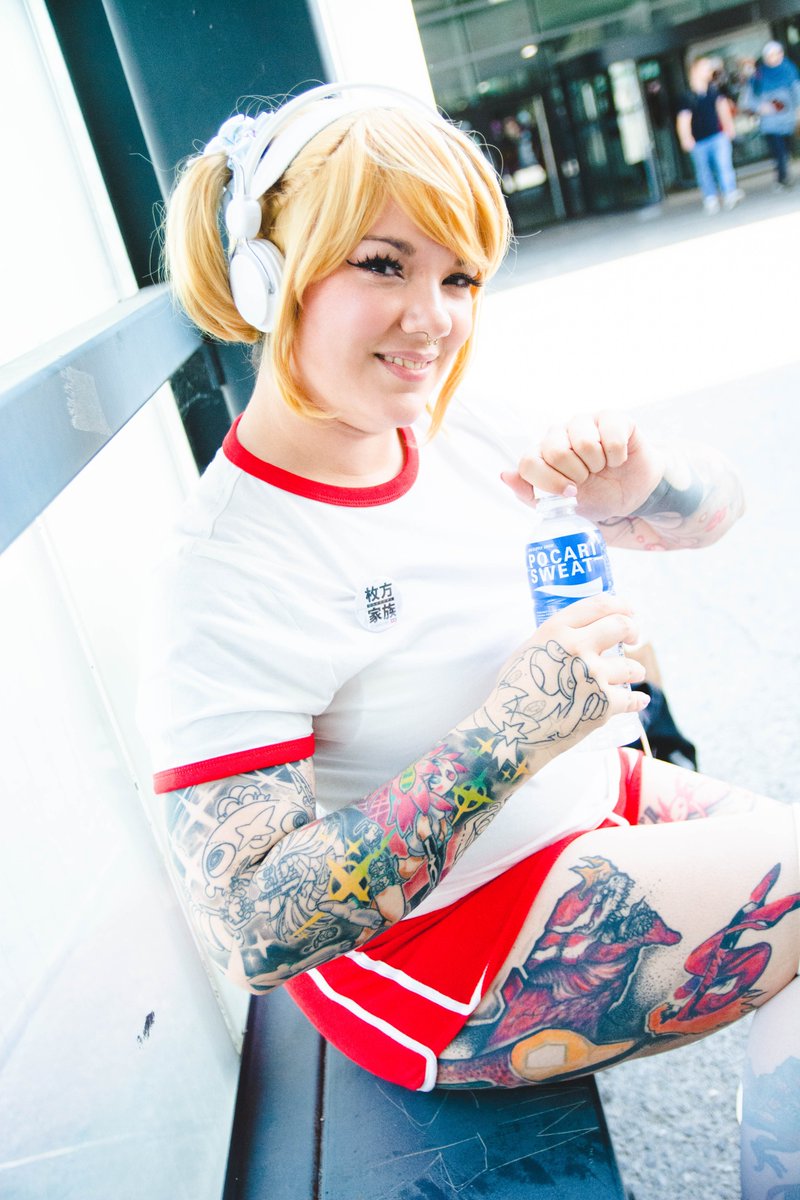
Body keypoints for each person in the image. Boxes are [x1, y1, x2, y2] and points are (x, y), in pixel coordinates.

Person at [139, 83, 800, 1192]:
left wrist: (645, 480)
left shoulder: (454, 420)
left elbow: (717, 512)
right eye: (382, 265)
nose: (432, 319)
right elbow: (252, 926)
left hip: (595, 812)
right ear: (266, 275)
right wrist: (510, 733)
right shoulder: (226, 564)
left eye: (457, 277)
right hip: (444, 952)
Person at [676, 55, 745, 213]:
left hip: (718, 136)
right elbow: (683, 120)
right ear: (694, 71)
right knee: (703, 171)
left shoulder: (714, 91)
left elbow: (723, 109)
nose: (708, 71)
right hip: (698, 141)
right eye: (705, 68)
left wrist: (729, 128)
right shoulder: (687, 96)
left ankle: (729, 192)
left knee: (724, 164)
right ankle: (710, 198)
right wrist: (686, 138)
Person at [740, 40, 800, 189]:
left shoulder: (789, 70)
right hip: (769, 122)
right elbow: (748, 99)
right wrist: (760, 107)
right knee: (779, 151)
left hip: (787, 119)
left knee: (786, 150)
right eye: (770, 55)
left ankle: (782, 176)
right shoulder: (758, 75)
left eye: (776, 54)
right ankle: (783, 177)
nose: (774, 58)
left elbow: (797, 92)